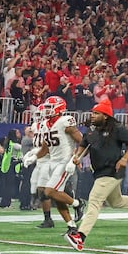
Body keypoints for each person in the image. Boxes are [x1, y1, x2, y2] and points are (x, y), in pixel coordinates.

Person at [68, 103, 128, 251]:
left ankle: (80, 236)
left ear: (105, 116)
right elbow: (83, 145)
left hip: (112, 170)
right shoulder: (91, 130)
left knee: (94, 201)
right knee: (116, 201)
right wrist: (77, 156)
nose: (92, 115)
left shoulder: (116, 128)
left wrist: (125, 158)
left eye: (96, 113)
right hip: (100, 171)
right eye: (92, 112)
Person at [33, 95, 84, 233]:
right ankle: (72, 226)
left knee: (49, 191)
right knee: (57, 194)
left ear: (59, 108)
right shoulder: (44, 125)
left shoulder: (65, 121)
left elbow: (83, 142)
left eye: (49, 107)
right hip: (53, 161)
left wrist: (76, 157)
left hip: (64, 161)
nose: (46, 110)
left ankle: (78, 203)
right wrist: (33, 157)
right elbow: (45, 148)